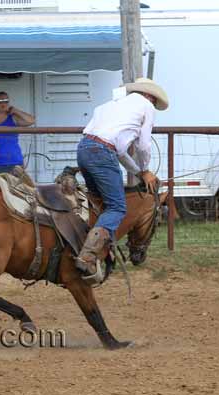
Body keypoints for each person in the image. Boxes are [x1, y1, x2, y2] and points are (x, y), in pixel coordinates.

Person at [75, 77, 169, 277]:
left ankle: (83, 245)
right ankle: (89, 255)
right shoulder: (146, 106)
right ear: (150, 96)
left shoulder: (108, 106)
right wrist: (145, 169)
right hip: (102, 152)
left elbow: (118, 152)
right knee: (117, 207)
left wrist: (139, 172)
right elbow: (143, 145)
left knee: (96, 202)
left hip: (83, 148)